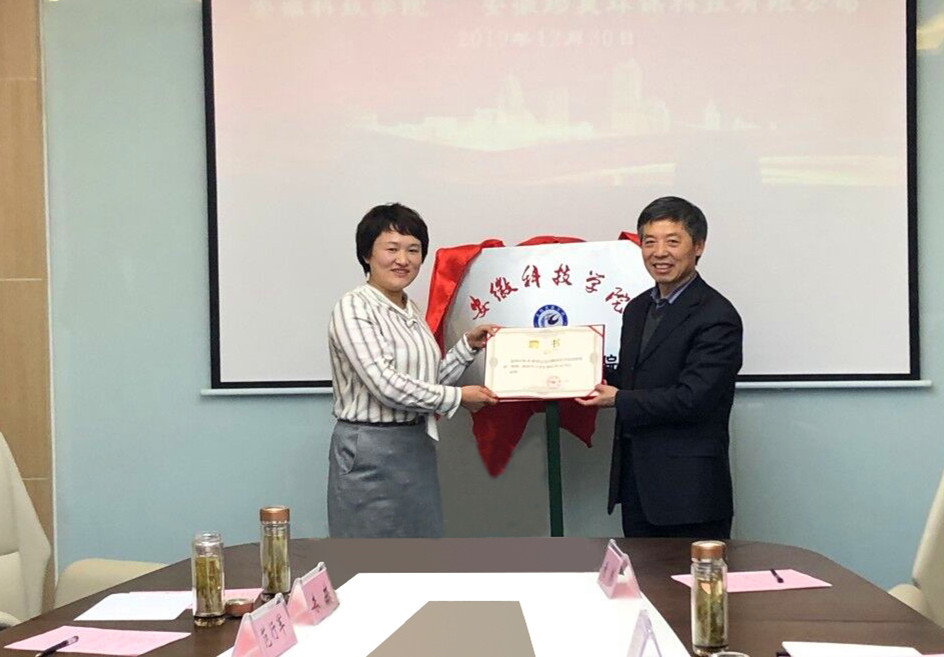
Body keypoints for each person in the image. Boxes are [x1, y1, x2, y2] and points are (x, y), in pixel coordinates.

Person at [327, 203, 498, 538]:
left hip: (416, 446)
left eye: (413, 250)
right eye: (391, 249)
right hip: (369, 450)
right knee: (369, 554)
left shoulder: (409, 309)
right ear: (367, 254)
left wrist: (467, 347)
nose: (402, 260)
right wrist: (458, 397)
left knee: (420, 550)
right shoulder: (354, 306)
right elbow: (386, 385)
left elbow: (427, 383)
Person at [578, 196, 743, 538]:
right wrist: (576, 367)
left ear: (698, 246)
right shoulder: (637, 308)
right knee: (640, 573)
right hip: (637, 485)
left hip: (690, 491)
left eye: (672, 241)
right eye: (649, 242)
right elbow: (632, 377)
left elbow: (694, 398)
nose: (659, 253)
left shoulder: (717, 315)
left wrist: (618, 399)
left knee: (691, 575)